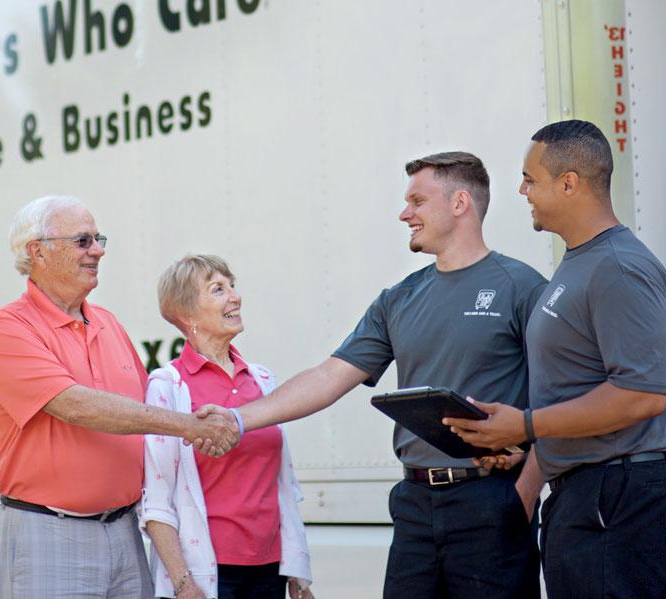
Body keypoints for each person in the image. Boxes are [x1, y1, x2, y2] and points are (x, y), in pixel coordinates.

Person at [200, 152, 548, 598]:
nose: (405, 214)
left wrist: (524, 494)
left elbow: (557, 399)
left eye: (417, 201)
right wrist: (237, 418)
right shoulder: (399, 299)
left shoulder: (521, 287)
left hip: (492, 502)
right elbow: (329, 377)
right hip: (414, 505)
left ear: (460, 203)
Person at [445, 120, 666, 598]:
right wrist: (526, 477)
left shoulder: (619, 267)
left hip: (618, 495)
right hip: (584, 495)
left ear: (569, 182)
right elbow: (570, 391)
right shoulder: (580, 262)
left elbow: (641, 396)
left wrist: (527, 425)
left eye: (530, 179)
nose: (522, 190)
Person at [0, 196, 240, 599]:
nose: (98, 250)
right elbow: (76, 405)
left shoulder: (108, 323)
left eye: (98, 239)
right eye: (83, 241)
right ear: (38, 251)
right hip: (49, 535)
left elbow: (150, 405)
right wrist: (191, 425)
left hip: (124, 533)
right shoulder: (6, 327)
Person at [140, 254, 314, 599]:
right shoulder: (168, 385)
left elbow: (285, 489)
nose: (235, 296)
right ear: (188, 314)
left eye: (232, 286)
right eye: (217, 289)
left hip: (271, 569)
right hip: (209, 574)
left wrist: (298, 573)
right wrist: (183, 583)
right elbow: (157, 500)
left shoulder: (262, 380)